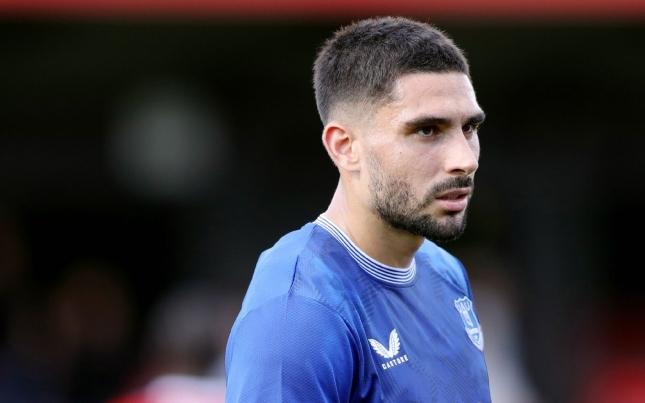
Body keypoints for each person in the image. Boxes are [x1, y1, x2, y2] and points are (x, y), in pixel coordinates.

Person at [225, 16, 490, 402]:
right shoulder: (299, 312)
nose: (465, 160)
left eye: (469, 128)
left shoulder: (446, 274)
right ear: (345, 147)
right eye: (427, 130)